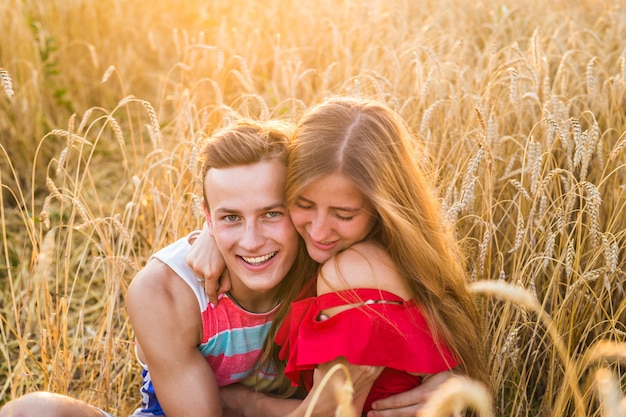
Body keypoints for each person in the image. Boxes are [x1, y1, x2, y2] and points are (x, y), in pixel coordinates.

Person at [188, 97, 490, 416]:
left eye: (343, 215)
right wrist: (210, 232)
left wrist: (246, 403)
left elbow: (331, 413)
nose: (318, 232)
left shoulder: (349, 272)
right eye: (303, 204)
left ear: (380, 208)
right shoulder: (391, 257)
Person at [0, 119, 322, 417]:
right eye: (231, 218)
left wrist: (243, 402)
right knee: (33, 412)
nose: (251, 242)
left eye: (271, 214)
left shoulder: (324, 259)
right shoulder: (165, 292)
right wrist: (263, 405)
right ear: (208, 215)